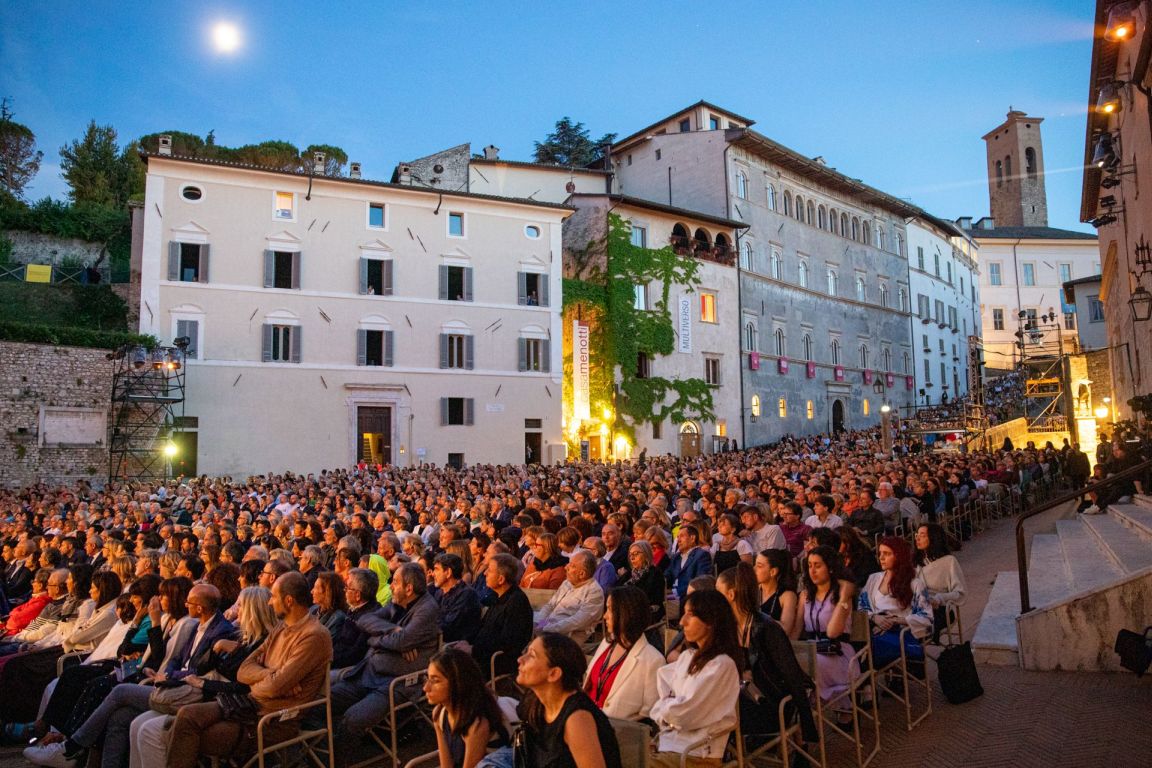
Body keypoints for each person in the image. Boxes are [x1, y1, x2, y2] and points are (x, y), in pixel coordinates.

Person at [164, 572, 334, 768]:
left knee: (180, 734)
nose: (270, 602)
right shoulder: (280, 628)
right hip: (246, 706)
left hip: (273, 719)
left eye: (273, 597)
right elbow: (243, 671)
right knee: (185, 716)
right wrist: (272, 674)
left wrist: (268, 683)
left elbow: (273, 688)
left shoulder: (314, 636)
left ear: (288, 601)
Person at [129, 586, 278, 768]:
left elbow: (244, 686)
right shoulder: (241, 638)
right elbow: (189, 662)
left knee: (149, 729)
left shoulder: (260, 644)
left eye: (240, 606)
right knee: (137, 724)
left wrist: (203, 683)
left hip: (224, 702)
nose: (234, 609)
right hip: (205, 692)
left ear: (251, 610)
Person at [331, 562, 442, 767]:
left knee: (351, 720)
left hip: (394, 684)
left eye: (395, 582)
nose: (390, 586)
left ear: (409, 588)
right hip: (367, 672)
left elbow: (400, 642)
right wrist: (393, 631)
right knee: (323, 700)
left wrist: (374, 639)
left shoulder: (426, 610)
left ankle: (338, 762)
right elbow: (365, 619)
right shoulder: (397, 602)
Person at [716, 565, 818, 751]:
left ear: (730, 595)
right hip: (740, 700)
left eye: (718, 593)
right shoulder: (727, 627)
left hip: (770, 705)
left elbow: (791, 675)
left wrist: (804, 726)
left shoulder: (767, 628)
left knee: (712, 717)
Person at [649, 589, 742, 768]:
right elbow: (663, 690)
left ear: (710, 622)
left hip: (695, 755)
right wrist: (670, 707)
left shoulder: (722, 665)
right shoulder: (687, 657)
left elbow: (684, 714)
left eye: (690, 615)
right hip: (668, 746)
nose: (682, 622)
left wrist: (667, 708)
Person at [516, 633, 622, 768]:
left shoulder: (577, 719)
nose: (520, 659)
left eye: (531, 655)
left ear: (554, 674)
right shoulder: (536, 704)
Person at [790, 545, 859, 721]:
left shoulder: (841, 594)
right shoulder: (805, 595)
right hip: (812, 650)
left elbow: (833, 631)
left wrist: (844, 596)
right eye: (810, 565)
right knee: (792, 666)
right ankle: (803, 715)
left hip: (838, 652)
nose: (812, 571)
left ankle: (803, 716)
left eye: (818, 565)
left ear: (830, 567)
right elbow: (797, 630)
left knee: (808, 668)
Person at [582, 586, 663, 720]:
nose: (604, 616)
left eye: (610, 609)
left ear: (626, 613)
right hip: (585, 720)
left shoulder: (653, 661)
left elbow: (649, 715)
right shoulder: (607, 643)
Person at [424, 647, 511, 768]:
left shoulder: (476, 724)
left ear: (458, 683)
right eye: (427, 679)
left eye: (435, 681)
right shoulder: (439, 714)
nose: (426, 688)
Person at [858, 537, 932, 670]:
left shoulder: (915, 584)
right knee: (855, 643)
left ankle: (862, 680)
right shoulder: (874, 579)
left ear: (899, 556)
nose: (881, 558)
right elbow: (861, 605)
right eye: (880, 553)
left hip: (901, 632)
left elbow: (926, 617)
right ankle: (863, 679)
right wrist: (875, 617)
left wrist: (895, 620)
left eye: (887, 554)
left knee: (870, 648)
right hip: (873, 627)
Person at [467, 553, 534, 679]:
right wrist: (466, 642)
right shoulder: (498, 596)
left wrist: (473, 649)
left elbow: (507, 643)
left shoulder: (517, 603)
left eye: (490, 571)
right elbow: (483, 629)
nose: (485, 573)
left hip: (494, 661)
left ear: (501, 579)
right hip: (481, 653)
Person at [534, 551, 604, 645]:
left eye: (572, 566)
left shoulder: (595, 592)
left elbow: (577, 622)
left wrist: (547, 628)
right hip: (548, 627)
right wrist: (539, 623)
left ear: (582, 574)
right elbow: (550, 606)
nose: (566, 567)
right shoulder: (567, 582)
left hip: (569, 637)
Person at [912, 523, 966, 643]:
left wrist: (939, 598)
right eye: (917, 535)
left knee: (913, 630)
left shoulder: (949, 562)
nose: (917, 538)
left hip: (939, 610)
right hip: (915, 607)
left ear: (933, 538)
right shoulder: (915, 562)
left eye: (922, 535)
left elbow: (959, 593)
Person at [753, 549, 797, 636]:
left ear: (773, 572)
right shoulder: (753, 590)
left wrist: (756, 618)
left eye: (759, 566)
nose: (754, 569)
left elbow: (786, 629)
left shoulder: (787, 596)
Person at [666, 524, 713, 603]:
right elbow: (667, 576)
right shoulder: (676, 557)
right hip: (673, 597)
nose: (678, 540)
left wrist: (678, 594)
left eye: (682, 536)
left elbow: (701, 581)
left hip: (690, 597)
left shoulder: (701, 555)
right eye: (677, 537)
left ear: (692, 538)